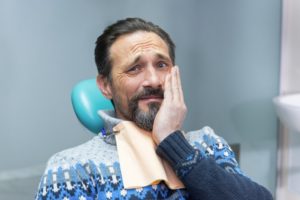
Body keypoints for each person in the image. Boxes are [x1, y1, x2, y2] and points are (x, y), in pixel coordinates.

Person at [36, 18, 273, 200]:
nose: (153, 80)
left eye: (162, 65)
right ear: (106, 86)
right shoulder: (73, 167)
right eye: (134, 69)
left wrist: (174, 143)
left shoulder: (207, 144)